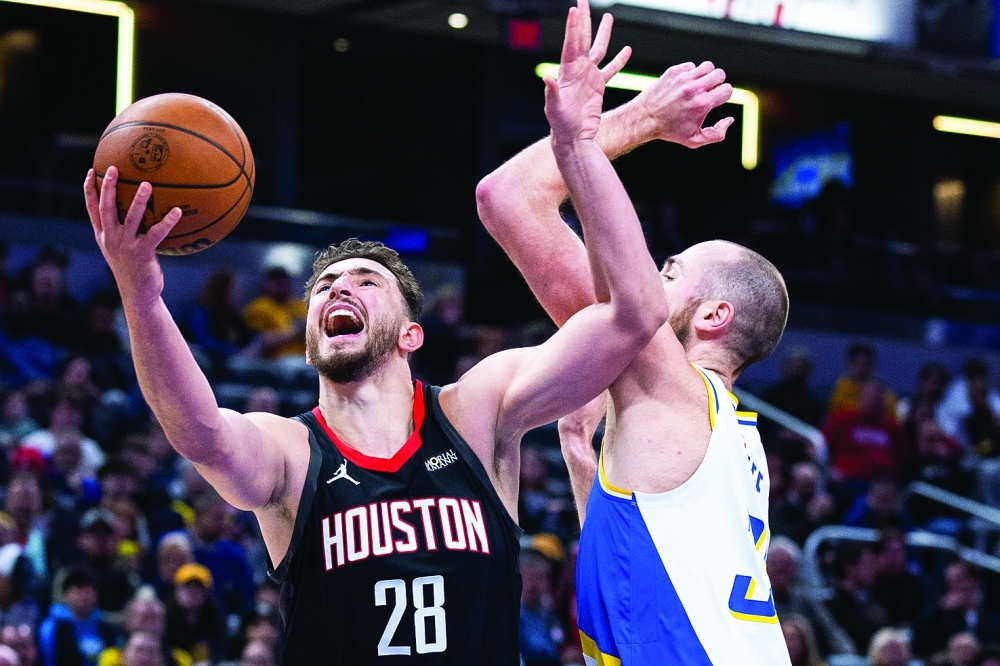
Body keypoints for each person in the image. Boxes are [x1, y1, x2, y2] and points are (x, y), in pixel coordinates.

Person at [82, 3, 668, 658]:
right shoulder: (292, 452)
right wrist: (140, 290)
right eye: (325, 287)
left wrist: (583, 148)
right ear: (308, 342)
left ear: (411, 334)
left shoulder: (475, 412)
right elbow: (200, 434)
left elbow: (634, 314)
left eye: (364, 281)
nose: (337, 288)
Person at [477, 1, 790, 662]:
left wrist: (604, 133)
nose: (651, 276)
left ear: (713, 317)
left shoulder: (669, 387)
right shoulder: (727, 437)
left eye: (671, 271)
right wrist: (584, 463)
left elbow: (508, 199)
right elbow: (652, 556)